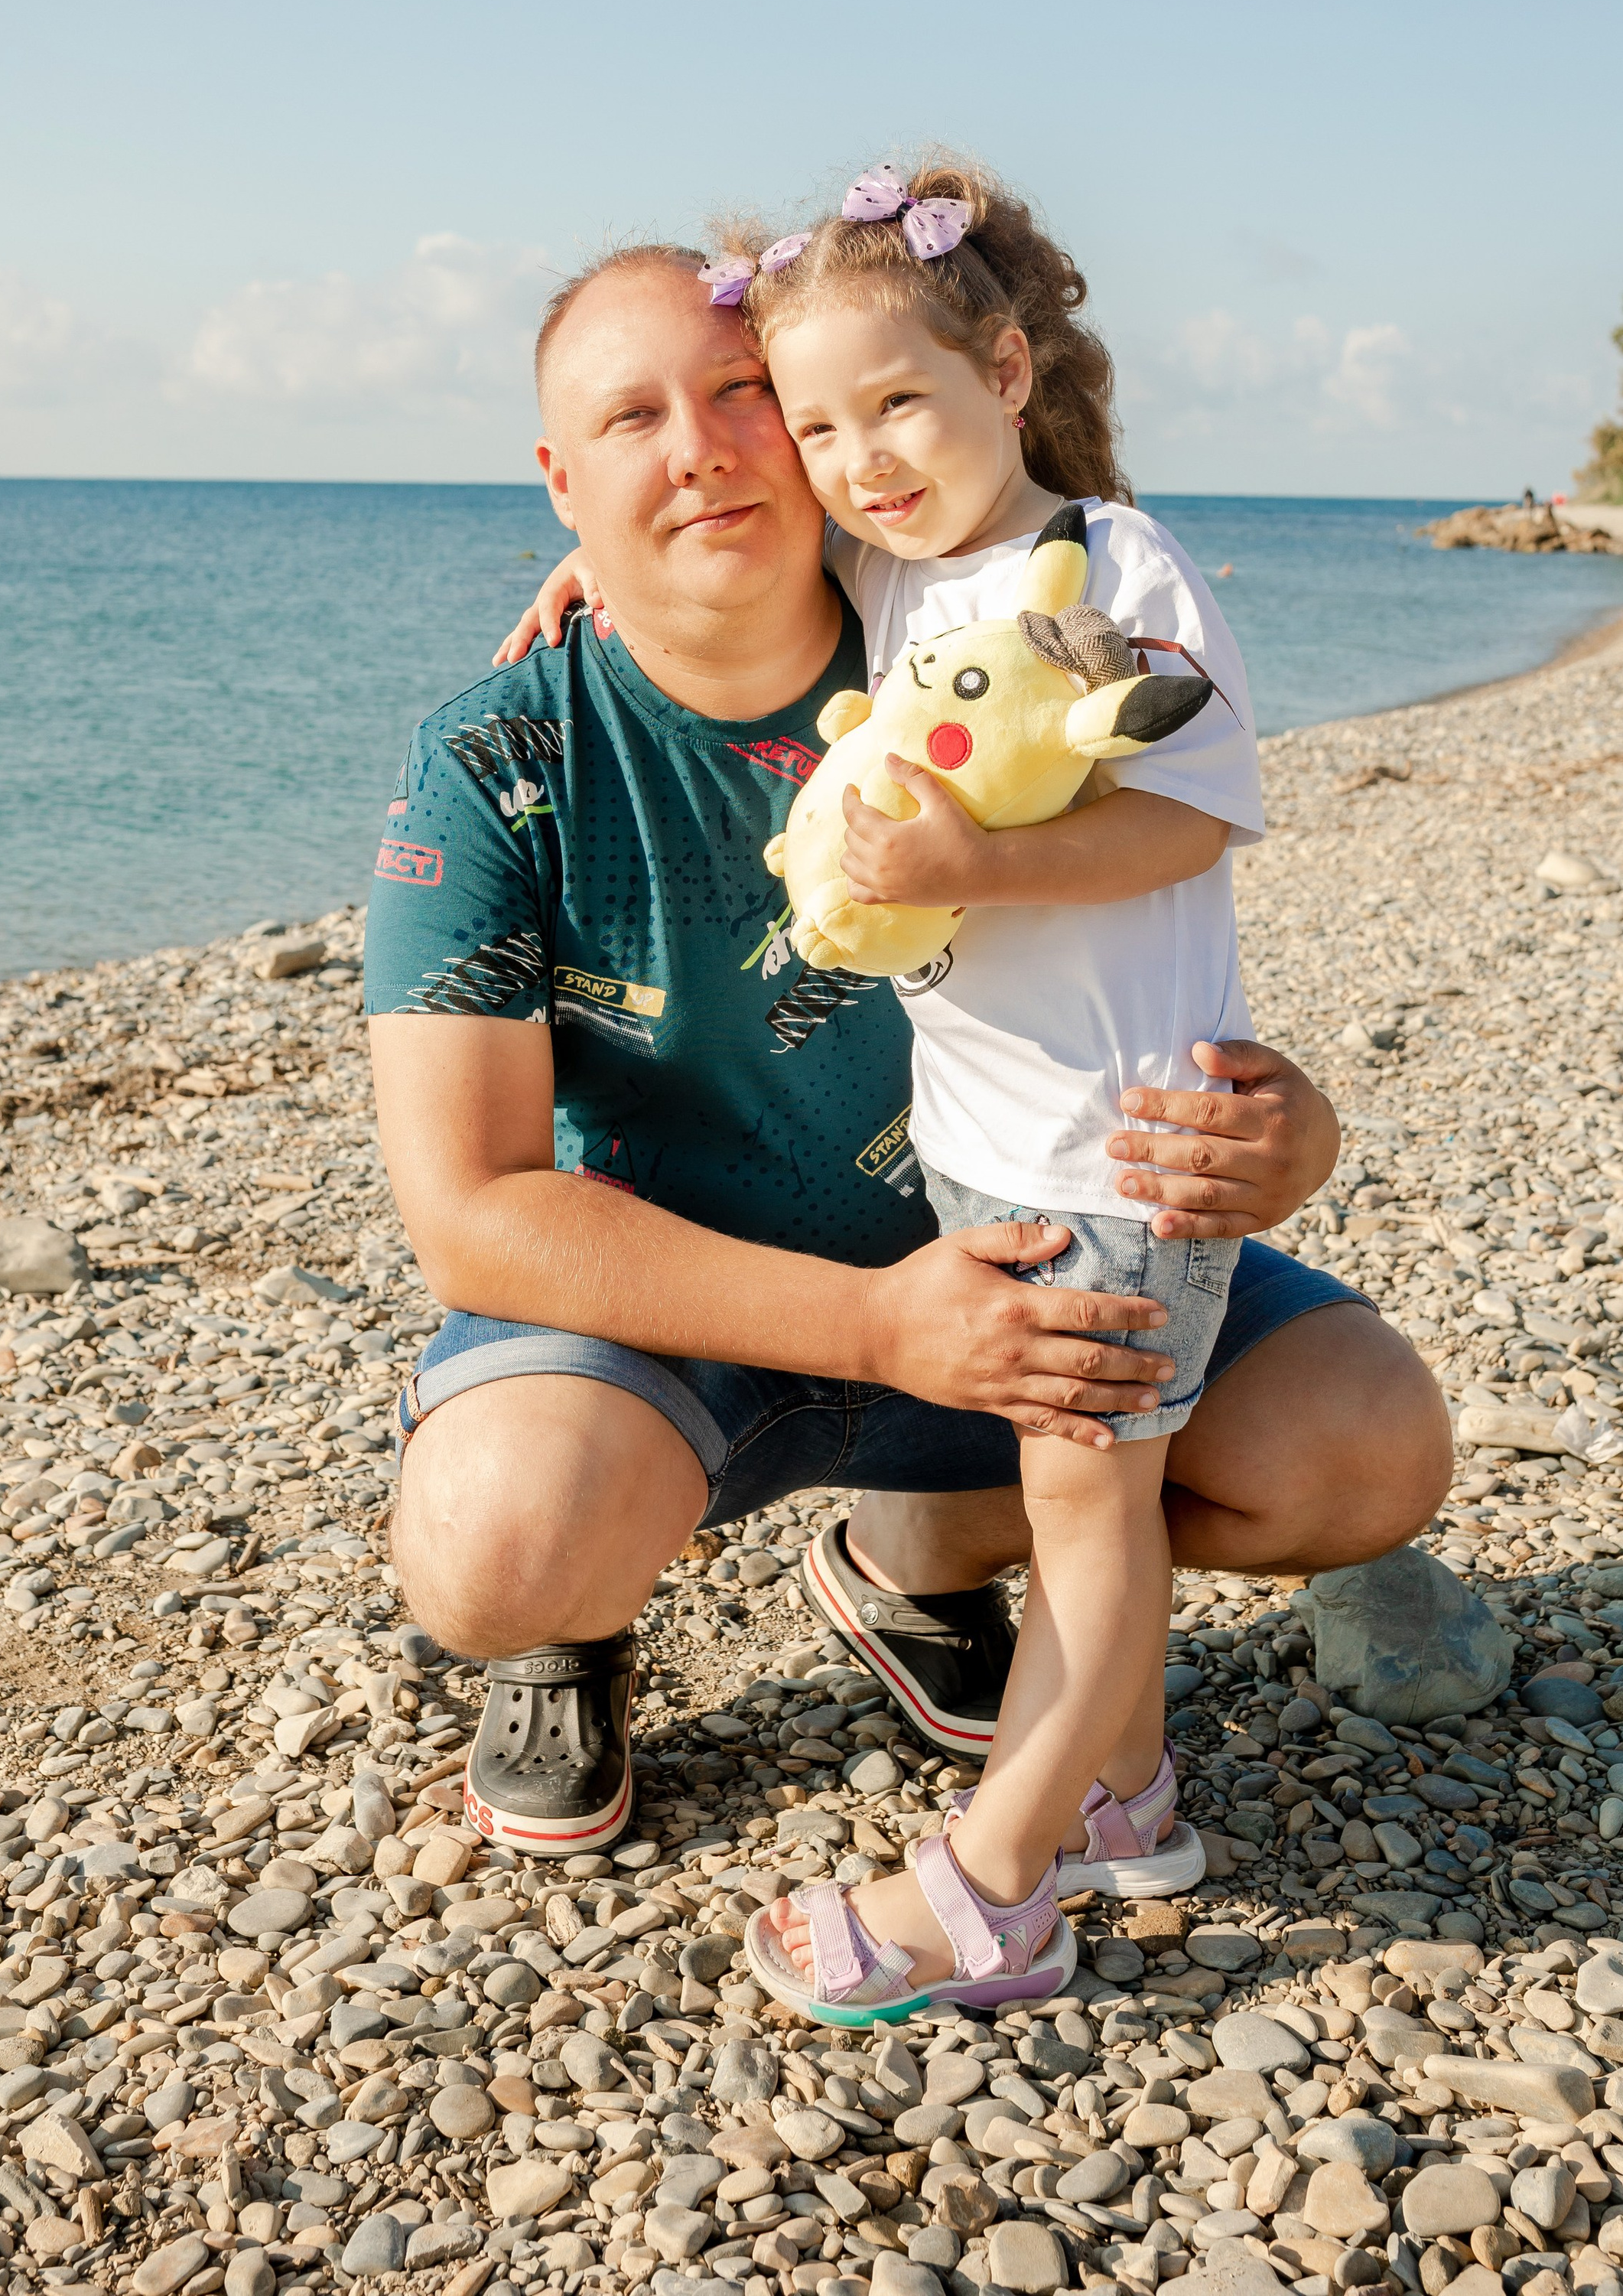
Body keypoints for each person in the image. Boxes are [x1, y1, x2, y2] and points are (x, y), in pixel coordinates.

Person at [366, 241, 1452, 1890]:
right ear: (558, 478)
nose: (701, 449)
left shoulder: (955, 641)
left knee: (1368, 1451)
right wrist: (876, 1325)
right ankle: (570, 1641)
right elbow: (466, 1214)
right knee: (495, 1548)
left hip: (1016, 1257)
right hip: (687, 1312)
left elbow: (1144, 900)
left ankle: (919, 1557)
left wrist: (1286, 1131)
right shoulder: (501, 753)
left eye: (743, 399)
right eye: (631, 419)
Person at [506, 161, 1264, 2021]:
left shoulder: (1113, 567)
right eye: (820, 423)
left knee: (1093, 1520)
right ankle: (1124, 1799)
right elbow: (711, 552)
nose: (856, 458)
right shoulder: (901, 563)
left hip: (1124, 1152)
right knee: (1077, 1487)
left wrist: (976, 874)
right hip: (991, 1151)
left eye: (899, 405)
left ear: (1007, 369)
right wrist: (586, 564)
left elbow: (1192, 807)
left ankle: (991, 1888)